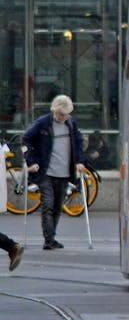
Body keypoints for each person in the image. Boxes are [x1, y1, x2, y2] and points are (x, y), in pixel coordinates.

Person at [24, 94, 87, 250]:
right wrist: (31, 162)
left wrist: (80, 161)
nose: (63, 117)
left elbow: (78, 142)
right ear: (55, 110)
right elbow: (26, 139)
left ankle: (52, 236)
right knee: (48, 204)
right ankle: (48, 239)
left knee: (58, 206)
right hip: (46, 170)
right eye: (60, 114)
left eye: (65, 114)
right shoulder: (43, 122)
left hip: (64, 171)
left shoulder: (71, 123)